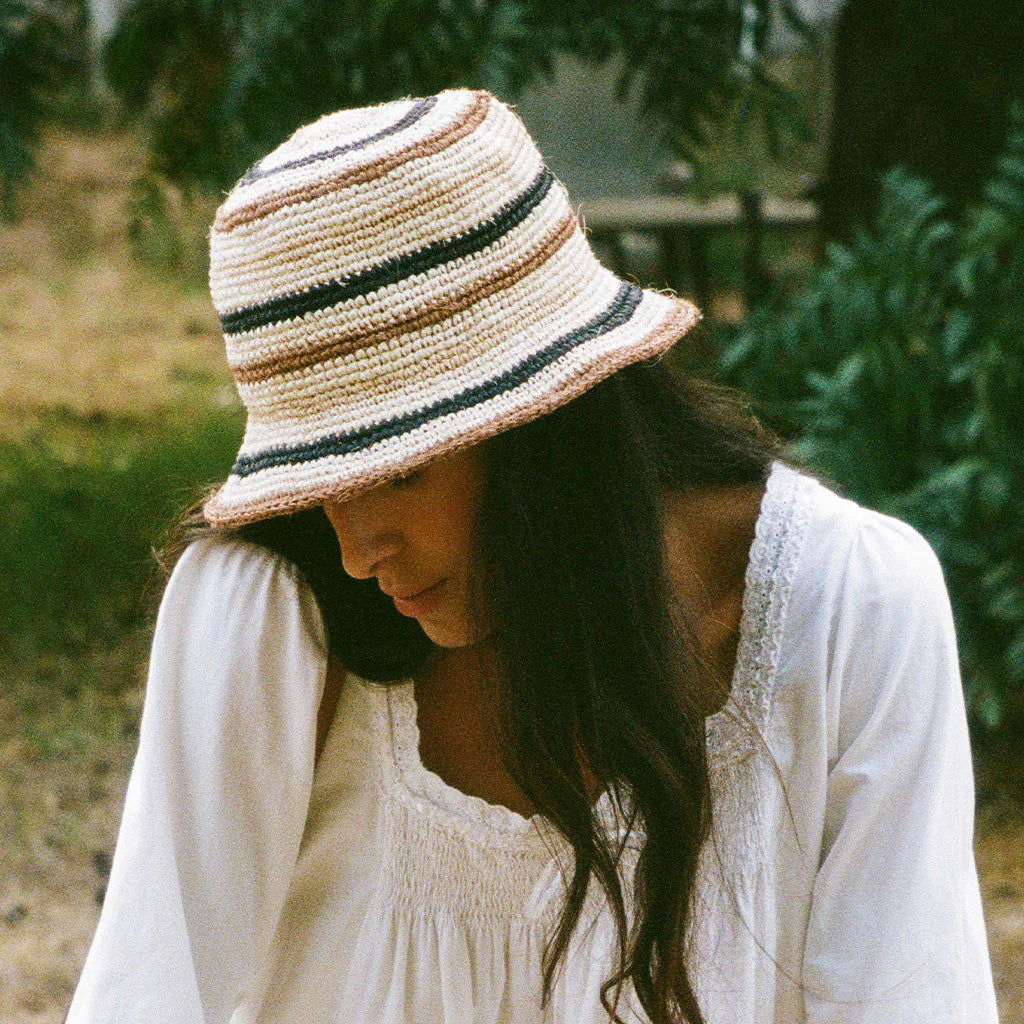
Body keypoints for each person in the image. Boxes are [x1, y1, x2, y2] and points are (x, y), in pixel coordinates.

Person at [63, 88, 999, 1024]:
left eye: (398, 473)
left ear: (547, 422)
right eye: (319, 483)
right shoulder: (271, 610)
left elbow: (907, 996)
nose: (355, 551)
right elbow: (147, 996)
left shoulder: (850, 611)